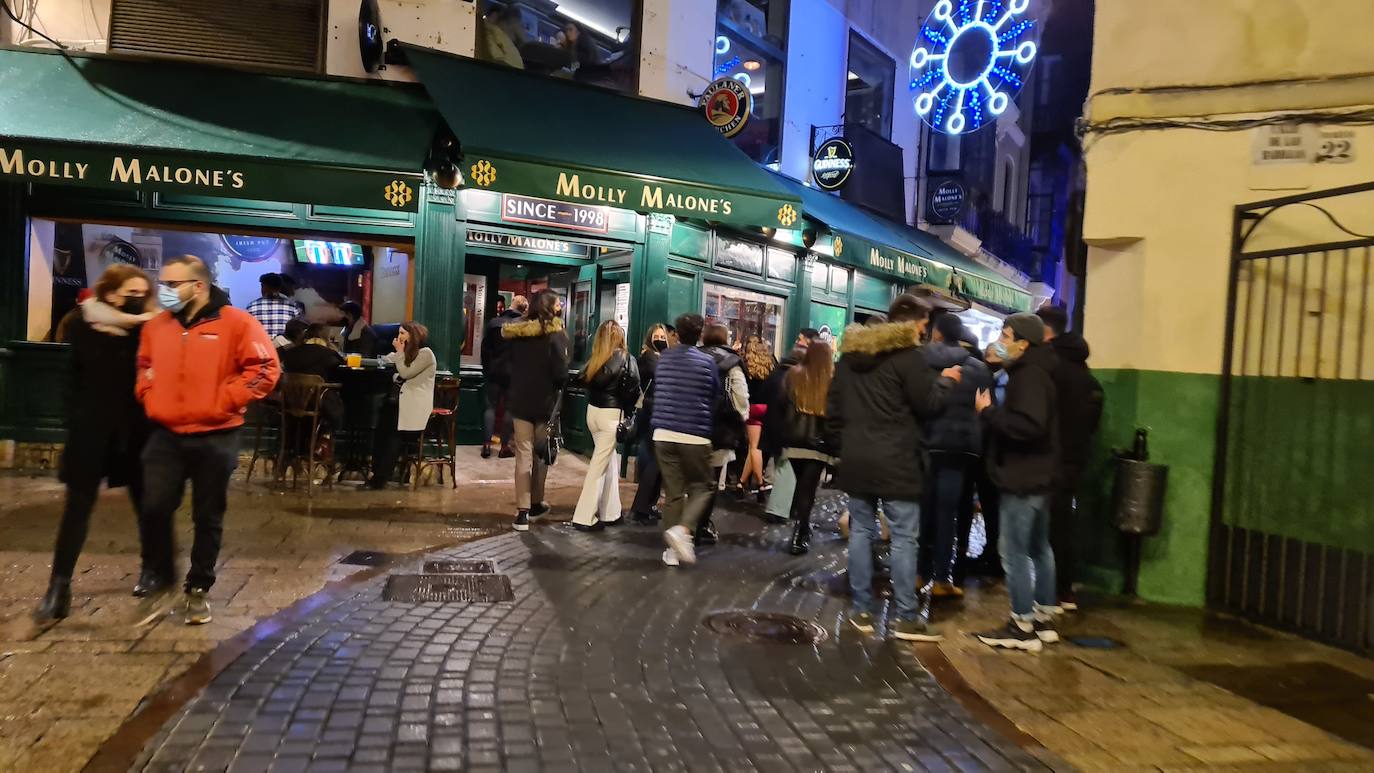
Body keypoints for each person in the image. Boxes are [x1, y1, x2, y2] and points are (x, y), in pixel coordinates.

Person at [136, 255, 280, 626]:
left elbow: (265, 368)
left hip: (217, 434)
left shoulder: (237, 322)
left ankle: (198, 588)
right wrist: (149, 395)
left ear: (198, 286)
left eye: (172, 284)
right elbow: (143, 367)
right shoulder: (157, 326)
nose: (164, 291)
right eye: (162, 283)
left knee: (207, 514)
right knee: (153, 506)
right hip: (166, 433)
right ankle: (161, 576)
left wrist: (224, 400)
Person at [828, 294, 960, 642]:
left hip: (857, 459)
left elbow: (834, 414)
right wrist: (947, 381)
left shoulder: (849, 359)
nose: (923, 333)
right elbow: (929, 404)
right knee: (904, 538)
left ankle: (860, 611)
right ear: (911, 324)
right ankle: (906, 616)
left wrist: (848, 445)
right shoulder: (908, 359)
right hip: (898, 462)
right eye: (921, 326)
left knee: (860, 532)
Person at [34, 266, 155, 621]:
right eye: (128, 293)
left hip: (136, 432)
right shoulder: (83, 324)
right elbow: (73, 377)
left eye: (140, 293)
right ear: (109, 292)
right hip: (90, 432)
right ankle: (58, 587)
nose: (135, 300)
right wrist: (75, 419)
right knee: (76, 510)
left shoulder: (151, 329)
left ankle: (151, 570)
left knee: (146, 505)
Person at [974, 313, 1061, 652]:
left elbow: (1028, 426)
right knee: (1039, 547)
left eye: (1006, 336)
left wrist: (988, 412)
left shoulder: (1028, 378)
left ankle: (1021, 623)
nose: (1000, 340)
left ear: (1024, 344)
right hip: (1039, 475)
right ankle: (1043, 619)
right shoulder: (1037, 373)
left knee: (1013, 550)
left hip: (1023, 475)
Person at [1036, 305, 1104, 610]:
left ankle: (1046, 595)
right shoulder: (1083, 369)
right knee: (1063, 525)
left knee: (1046, 530)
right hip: (1076, 457)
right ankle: (1065, 591)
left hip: (1049, 457)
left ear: (1044, 331)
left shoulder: (1049, 366)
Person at [920, 313, 993, 598]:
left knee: (923, 510)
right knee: (947, 514)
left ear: (937, 334)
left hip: (926, 445)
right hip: (961, 449)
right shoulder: (978, 368)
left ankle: (917, 573)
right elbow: (986, 407)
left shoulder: (920, 361)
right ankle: (941, 579)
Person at [652, 314, 720, 567]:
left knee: (673, 493)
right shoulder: (707, 362)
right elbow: (715, 395)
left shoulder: (665, 359)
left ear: (677, 334)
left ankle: (671, 552)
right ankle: (683, 530)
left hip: (663, 433)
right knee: (703, 487)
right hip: (694, 433)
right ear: (700, 334)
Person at [504, 291, 570, 532]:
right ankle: (535, 503)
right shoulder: (556, 334)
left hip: (520, 401)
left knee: (523, 455)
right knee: (541, 454)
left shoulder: (517, 333)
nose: (560, 306)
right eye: (557, 303)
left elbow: (506, 366)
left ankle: (521, 513)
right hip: (545, 404)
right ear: (549, 307)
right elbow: (561, 372)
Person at [571, 321, 639, 530]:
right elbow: (635, 388)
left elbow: (580, 380)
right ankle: (583, 517)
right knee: (598, 467)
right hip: (612, 414)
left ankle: (611, 512)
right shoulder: (627, 358)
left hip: (593, 413)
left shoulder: (595, 359)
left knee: (608, 462)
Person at [775, 340, 836, 555]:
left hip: (794, 441)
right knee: (808, 489)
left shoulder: (793, 374)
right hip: (819, 444)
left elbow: (781, 403)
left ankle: (802, 528)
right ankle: (799, 533)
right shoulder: (831, 378)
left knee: (801, 484)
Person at [365, 322, 437, 490]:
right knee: (380, 428)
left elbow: (405, 373)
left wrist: (398, 354)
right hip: (398, 402)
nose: (399, 337)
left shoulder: (426, 354)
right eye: (399, 333)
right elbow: (384, 362)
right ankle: (376, 472)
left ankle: (380, 478)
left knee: (393, 433)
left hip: (414, 406)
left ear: (413, 335)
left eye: (403, 333)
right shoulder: (402, 354)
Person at [698, 322, 749, 546]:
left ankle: (689, 521)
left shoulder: (695, 356)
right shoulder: (732, 362)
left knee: (694, 478)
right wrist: (742, 417)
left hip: (694, 425)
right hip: (721, 428)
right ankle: (702, 524)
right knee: (711, 479)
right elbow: (740, 396)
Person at [759, 343, 806, 524]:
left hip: (771, 427)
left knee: (780, 466)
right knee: (786, 471)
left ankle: (783, 507)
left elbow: (763, 396)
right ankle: (778, 509)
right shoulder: (796, 377)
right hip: (787, 430)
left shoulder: (775, 373)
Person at [630, 324, 670, 525]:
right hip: (650, 411)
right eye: (657, 336)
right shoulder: (649, 358)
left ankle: (648, 504)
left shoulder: (660, 357)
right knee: (653, 459)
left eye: (663, 336)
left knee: (654, 458)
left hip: (658, 411)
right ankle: (642, 505)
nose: (661, 339)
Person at [480, 295, 527, 459]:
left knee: (490, 407)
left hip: (494, 372)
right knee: (509, 409)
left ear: (510, 305)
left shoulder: (494, 323)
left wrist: (487, 369)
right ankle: (504, 447)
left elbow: (485, 350)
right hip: (514, 374)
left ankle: (486, 445)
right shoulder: (525, 326)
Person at [281, 323, 346, 433]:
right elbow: (340, 371)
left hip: (289, 401)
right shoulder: (329, 354)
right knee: (334, 397)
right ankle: (325, 436)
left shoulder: (290, 353)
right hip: (316, 402)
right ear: (325, 338)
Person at [740, 335, 776, 497]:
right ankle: (741, 482)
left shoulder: (746, 367)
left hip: (753, 408)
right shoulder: (770, 365)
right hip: (767, 408)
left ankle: (760, 484)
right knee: (753, 448)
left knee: (754, 448)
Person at [246, 272, 299, 339]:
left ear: (264, 286)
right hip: (286, 348)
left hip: (261, 347)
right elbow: (297, 330)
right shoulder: (292, 307)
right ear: (280, 287)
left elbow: (248, 332)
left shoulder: (251, 307)